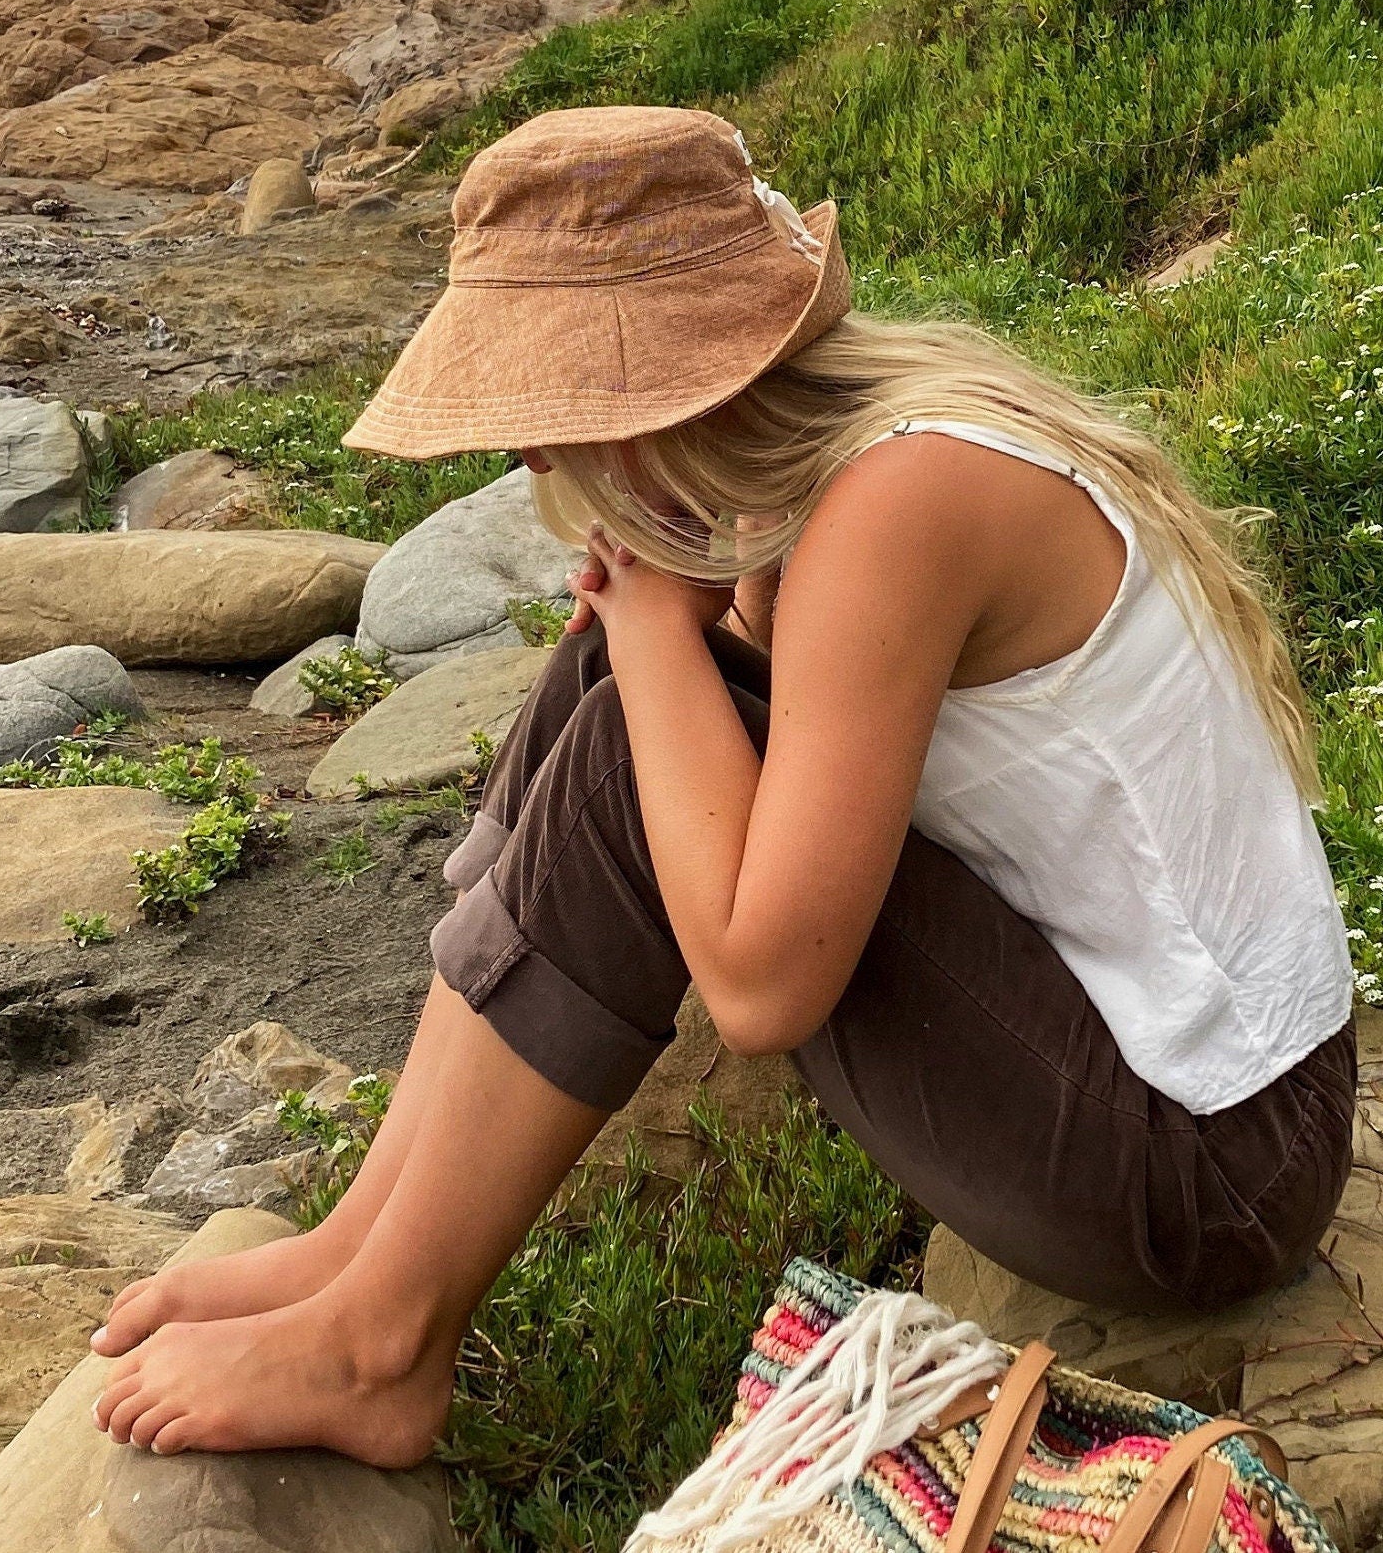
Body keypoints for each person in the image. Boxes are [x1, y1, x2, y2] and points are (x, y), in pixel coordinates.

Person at [87, 106, 1357, 1463]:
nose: (527, 463)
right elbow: (763, 713)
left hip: (1211, 1168)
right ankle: (362, 1251)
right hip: (1171, 1079)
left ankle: (383, 1339)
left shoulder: (896, 506)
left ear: (652, 392)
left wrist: (653, 634)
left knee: (639, 720)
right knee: (609, 692)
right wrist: (662, 627)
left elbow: (760, 987)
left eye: (542, 419)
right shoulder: (850, 455)